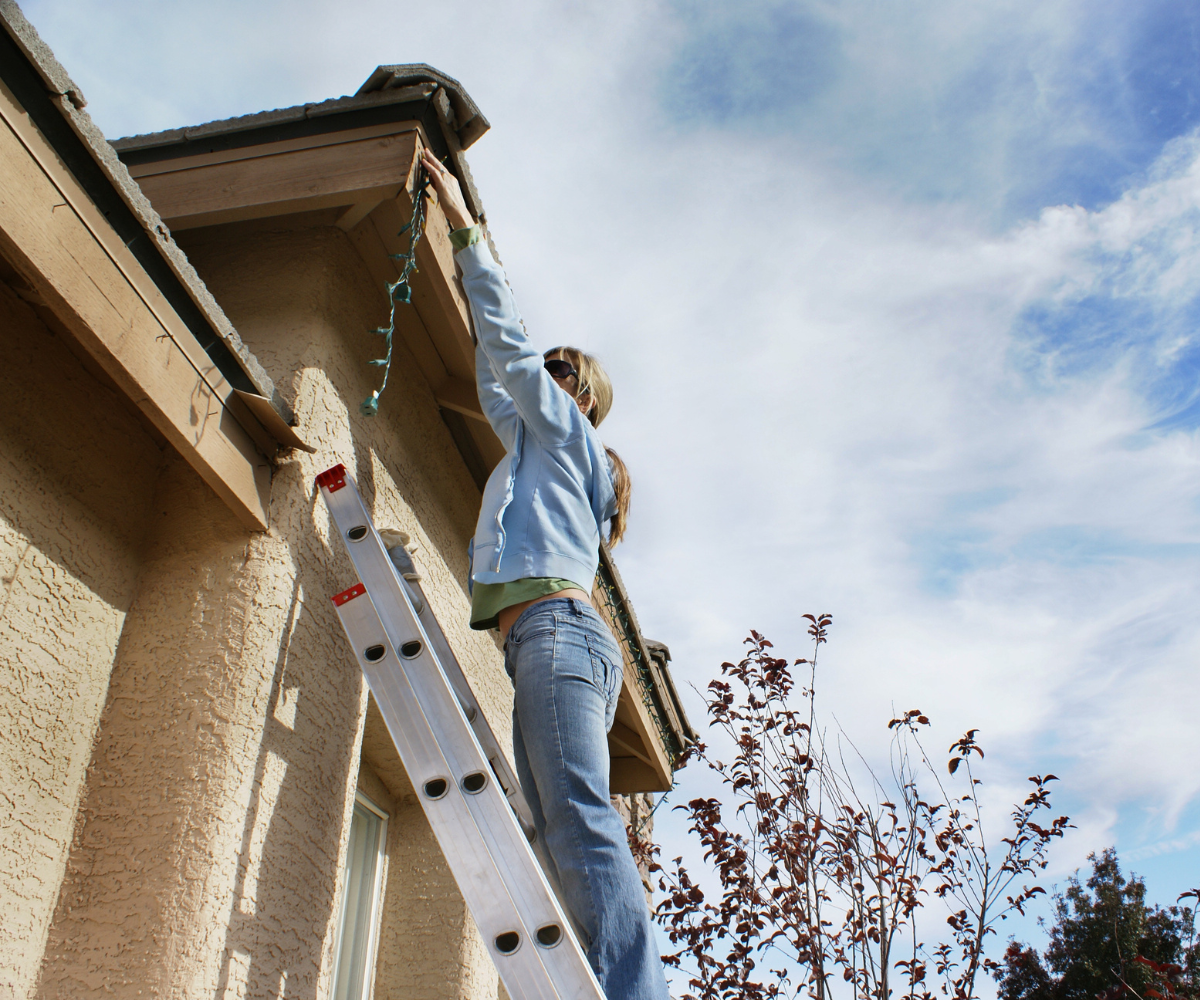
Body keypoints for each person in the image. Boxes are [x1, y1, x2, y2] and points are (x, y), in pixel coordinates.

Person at [421, 146, 670, 1000]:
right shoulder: (539, 446)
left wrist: (464, 231)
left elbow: (510, 353)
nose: (545, 380)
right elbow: (500, 375)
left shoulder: (567, 436)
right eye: (549, 373)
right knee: (560, 835)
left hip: (559, 636)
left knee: (582, 826)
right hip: (551, 641)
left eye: (561, 374)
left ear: (583, 397)